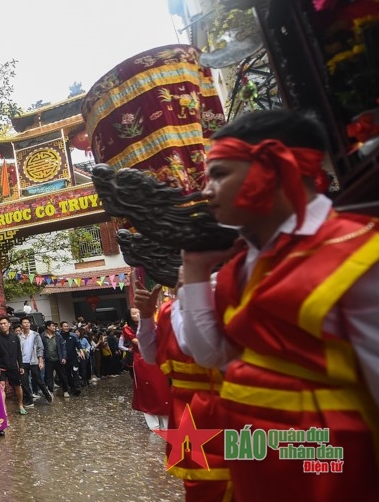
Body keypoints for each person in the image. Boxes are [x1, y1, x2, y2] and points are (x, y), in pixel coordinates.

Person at [180, 109, 379, 499]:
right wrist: (194, 269)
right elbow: (211, 355)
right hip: (255, 463)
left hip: (328, 471)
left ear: (272, 168)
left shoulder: (359, 253)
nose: (206, 192)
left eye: (219, 175)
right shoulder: (239, 266)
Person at [135, 275, 231, 500]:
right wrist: (148, 317)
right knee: (197, 481)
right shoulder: (169, 310)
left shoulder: (231, 300)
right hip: (185, 406)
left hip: (224, 401)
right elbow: (151, 355)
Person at [122, 308, 170, 430]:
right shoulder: (128, 328)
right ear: (129, 316)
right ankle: (154, 425)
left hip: (157, 360)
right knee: (148, 391)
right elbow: (138, 342)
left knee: (161, 390)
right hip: (142, 361)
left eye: (138, 311)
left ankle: (166, 422)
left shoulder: (152, 324)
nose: (137, 314)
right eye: (133, 313)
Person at [0, 315, 27, 415]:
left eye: (4, 323)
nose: (3, 326)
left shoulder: (15, 337)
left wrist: (21, 366)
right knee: (1, 387)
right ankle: (3, 409)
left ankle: (20, 405)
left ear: (9, 324)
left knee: (17, 386)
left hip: (13, 367)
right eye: (1, 324)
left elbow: (18, 352)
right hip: (2, 367)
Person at [19, 316, 52, 405]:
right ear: (21, 325)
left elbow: (40, 348)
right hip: (23, 362)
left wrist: (40, 361)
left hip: (33, 361)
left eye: (28, 322)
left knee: (38, 380)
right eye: (24, 322)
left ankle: (47, 394)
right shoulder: (19, 336)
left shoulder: (35, 335)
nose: (26, 324)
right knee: (25, 382)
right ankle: (29, 400)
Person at [56, 321, 82, 397]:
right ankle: (71, 387)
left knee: (75, 372)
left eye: (67, 326)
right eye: (65, 326)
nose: (67, 327)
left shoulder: (73, 335)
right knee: (67, 374)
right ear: (61, 327)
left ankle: (77, 387)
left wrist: (81, 351)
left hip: (73, 358)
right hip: (64, 359)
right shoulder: (58, 336)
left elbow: (78, 344)